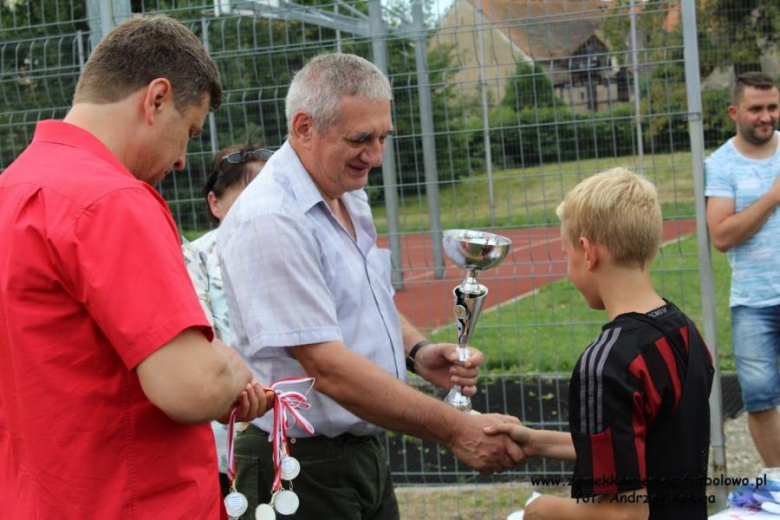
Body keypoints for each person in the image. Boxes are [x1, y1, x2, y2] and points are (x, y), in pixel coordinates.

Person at [217, 53, 525, 519]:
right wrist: (455, 429)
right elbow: (326, 366)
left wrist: (418, 353)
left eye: (383, 137)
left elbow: (366, 299)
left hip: (358, 455)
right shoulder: (272, 219)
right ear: (304, 128)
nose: (376, 156)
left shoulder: (346, 193)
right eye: (361, 139)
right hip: (301, 467)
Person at [0, 15, 270, 519]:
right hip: (130, 500)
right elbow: (194, 388)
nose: (184, 160)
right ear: (157, 99)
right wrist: (230, 367)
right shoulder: (115, 201)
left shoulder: (10, 188)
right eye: (189, 131)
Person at [486, 168, 714, 519]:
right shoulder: (686, 332)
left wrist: (538, 510)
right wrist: (535, 441)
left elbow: (623, 515)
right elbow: (644, 448)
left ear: (587, 252)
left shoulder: (607, 364)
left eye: (566, 255)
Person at [182, 143, 273, 495]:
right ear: (215, 204)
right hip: (227, 438)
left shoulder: (294, 250)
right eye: (246, 201)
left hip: (293, 427)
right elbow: (202, 342)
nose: (260, 212)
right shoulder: (197, 258)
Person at [705, 71, 780, 468]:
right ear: (735, 111)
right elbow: (721, 234)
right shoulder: (720, 165)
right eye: (756, 109)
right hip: (753, 303)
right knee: (761, 398)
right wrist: (772, 197)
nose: (766, 116)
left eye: (772, 107)